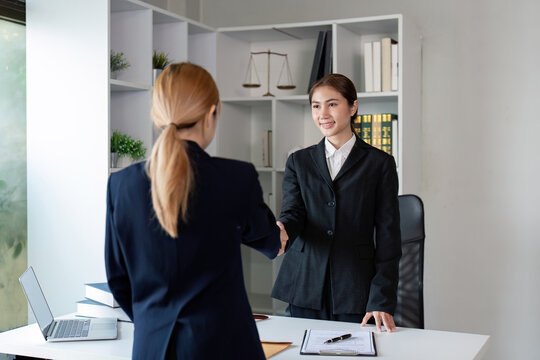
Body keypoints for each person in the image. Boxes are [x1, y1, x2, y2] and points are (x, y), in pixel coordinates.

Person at [105, 62, 286, 360]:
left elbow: (118, 278)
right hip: (224, 347)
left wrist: (155, 321)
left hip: (153, 347)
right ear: (211, 113)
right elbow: (270, 241)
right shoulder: (236, 177)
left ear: (157, 116)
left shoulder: (121, 185)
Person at [271, 73, 401, 333]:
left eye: (332, 104)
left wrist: (381, 298)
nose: (323, 114)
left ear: (353, 107)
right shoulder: (299, 162)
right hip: (304, 284)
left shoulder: (380, 164)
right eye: (316, 106)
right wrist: (283, 228)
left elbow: (388, 237)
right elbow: (294, 213)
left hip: (355, 287)